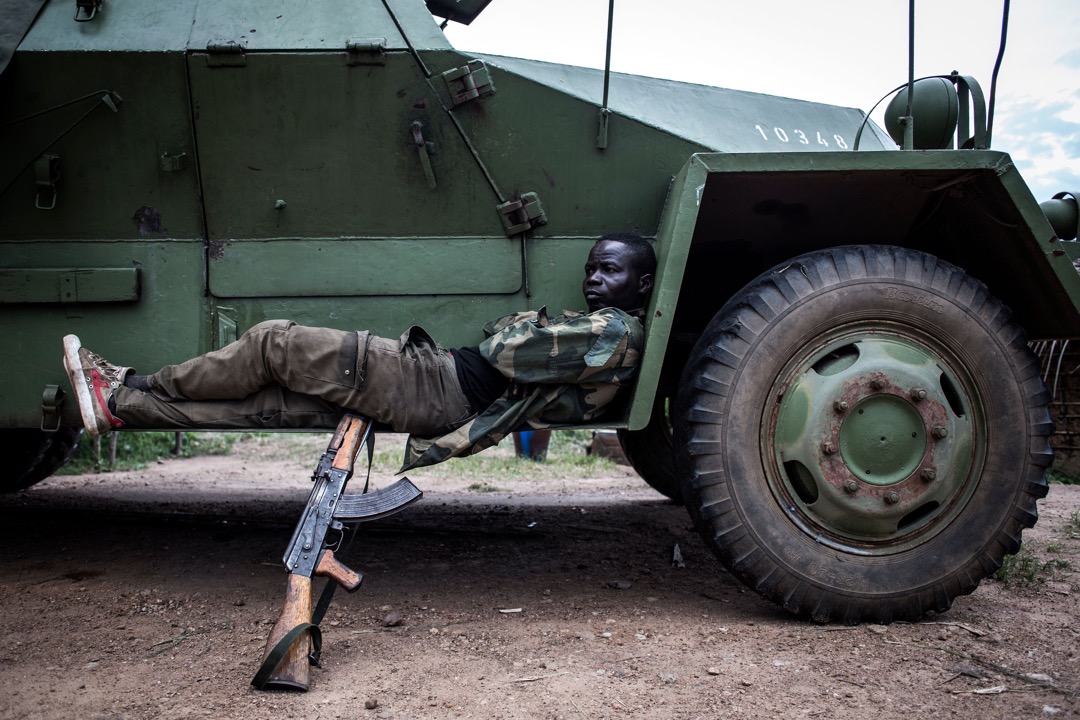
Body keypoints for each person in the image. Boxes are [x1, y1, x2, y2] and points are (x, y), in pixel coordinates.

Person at [63, 233, 656, 470]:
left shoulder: (616, 332)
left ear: (643, 285)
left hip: (432, 383)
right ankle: (118, 403)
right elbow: (513, 343)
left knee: (274, 343)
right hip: (441, 394)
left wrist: (519, 327)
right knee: (266, 403)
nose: (594, 279)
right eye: (590, 268)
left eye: (610, 269)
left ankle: (140, 382)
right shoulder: (603, 332)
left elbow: (504, 346)